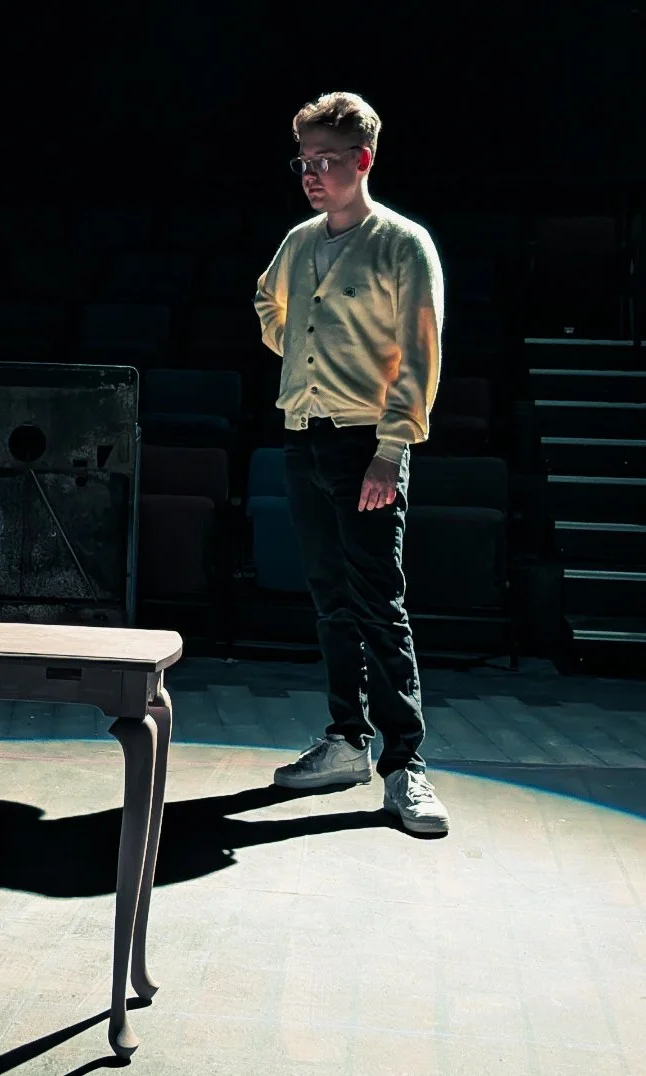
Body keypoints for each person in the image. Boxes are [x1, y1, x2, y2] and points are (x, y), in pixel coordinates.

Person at [252, 91, 449, 835]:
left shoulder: (403, 243)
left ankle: (405, 765)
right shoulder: (300, 241)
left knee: (377, 602)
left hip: (365, 442)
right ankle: (346, 739)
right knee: (328, 596)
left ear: (362, 160)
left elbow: (421, 354)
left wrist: (390, 450)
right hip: (302, 434)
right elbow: (267, 304)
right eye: (304, 160)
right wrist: (302, 352)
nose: (311, 173)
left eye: (326, 160)